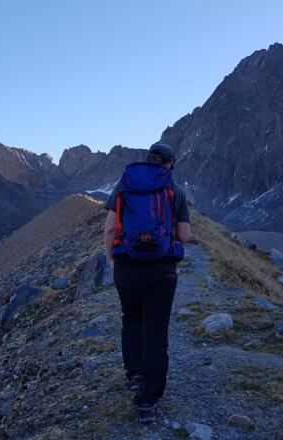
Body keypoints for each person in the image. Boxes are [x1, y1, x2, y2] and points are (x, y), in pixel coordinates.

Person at [103, 143, 191, 424]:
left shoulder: (124, 186)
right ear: (170, 165)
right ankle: (148, 402)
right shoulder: (176, 191)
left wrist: (112, 260)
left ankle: (135, 375)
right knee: (157, 334)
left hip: (127, 266)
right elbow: (184, 235)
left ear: (147, 160)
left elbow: (108, 228)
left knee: (131, 320)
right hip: (162, 271)